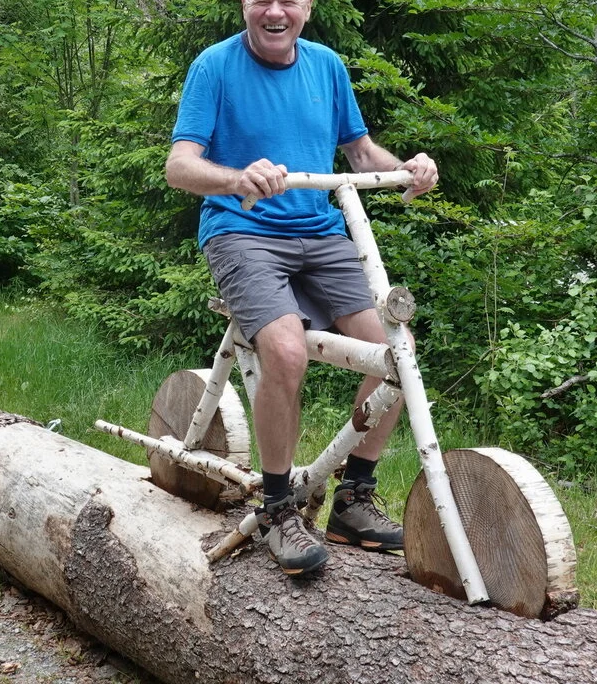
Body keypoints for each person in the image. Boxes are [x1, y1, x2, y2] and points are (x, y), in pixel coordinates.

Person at [165, 0, 438, 576]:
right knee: (287, 352)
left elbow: (361, 153)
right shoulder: (215, 67)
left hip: (321, 232)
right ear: (245, 6)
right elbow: (179, 166)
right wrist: (235, 178)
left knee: (398, 352)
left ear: (307, 8)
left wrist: (409, 169)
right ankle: (278, 506)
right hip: (243, 231)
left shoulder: (327, 66)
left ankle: (354, 499)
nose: (274, 10)